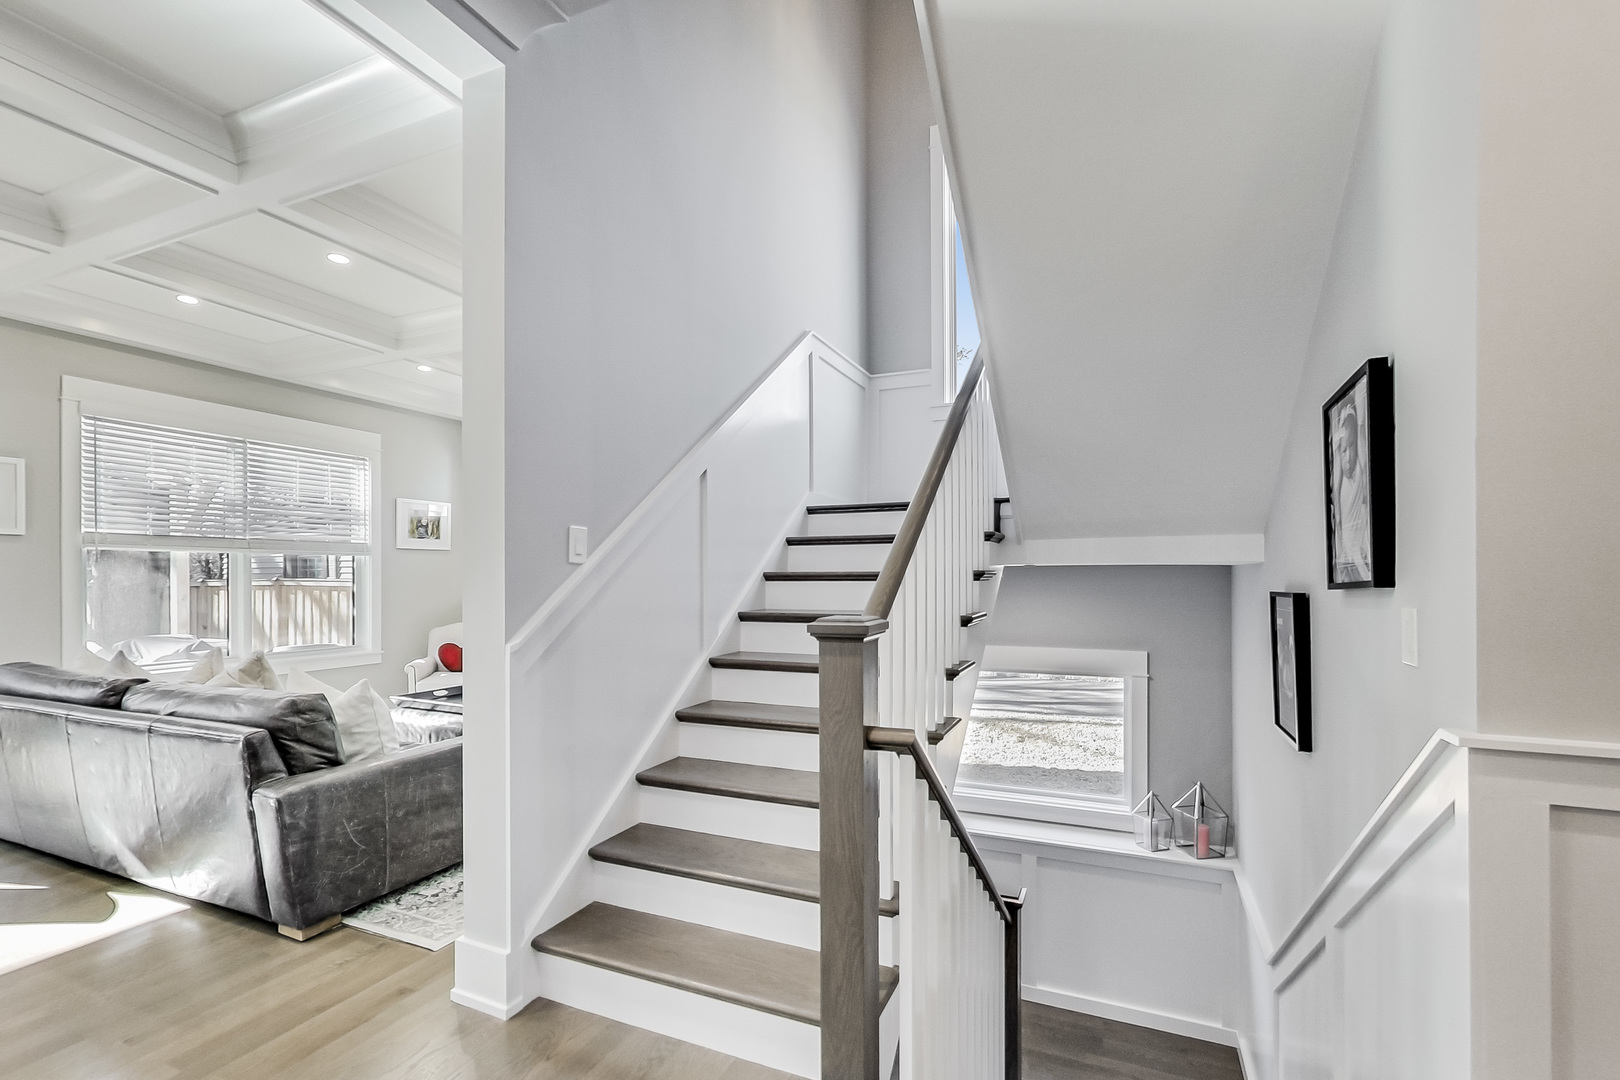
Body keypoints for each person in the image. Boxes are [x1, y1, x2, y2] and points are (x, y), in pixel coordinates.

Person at [1331, 389, 1372, 582]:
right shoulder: (1341, 486)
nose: (1348, 457)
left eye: (1353, 446)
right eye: (1344, 449)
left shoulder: (1361, 473)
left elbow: (1362, 428)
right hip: (1350, 545)